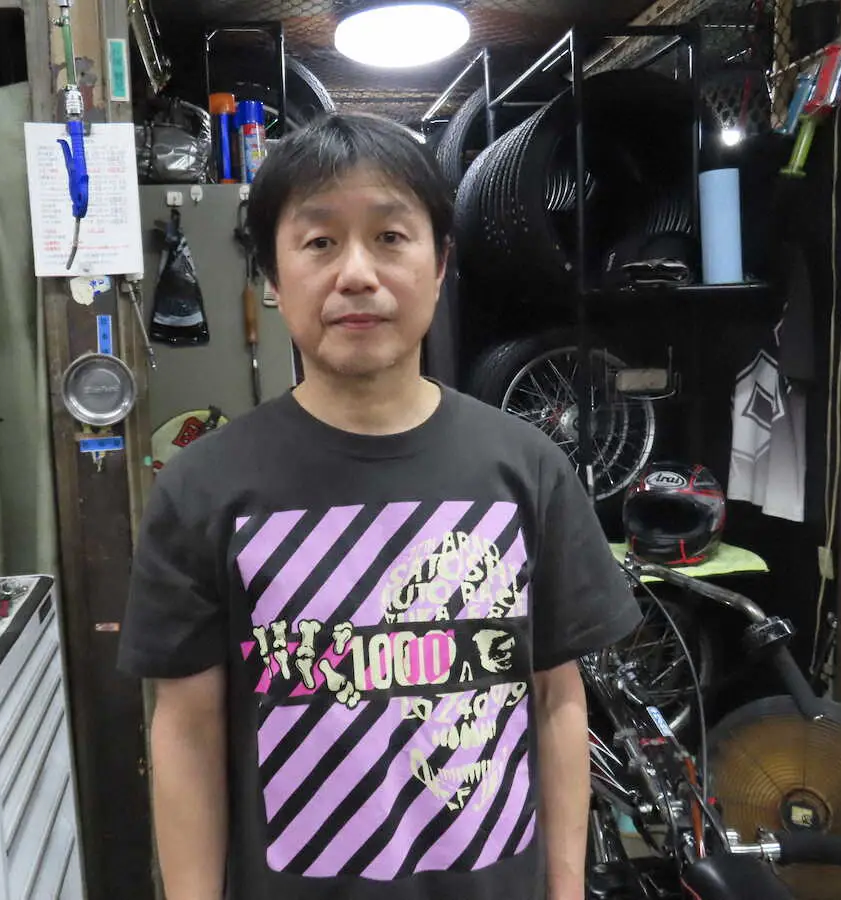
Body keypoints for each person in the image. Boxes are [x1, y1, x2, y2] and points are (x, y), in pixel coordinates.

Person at [118, 111, 643, 900]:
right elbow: (187, 730)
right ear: (271, 276)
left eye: (391, 237)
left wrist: (566, 890)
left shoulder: (527, 469)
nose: (357, 273)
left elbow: (556, 699)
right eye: (319, 242)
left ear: (440, 263)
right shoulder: (203, 489)